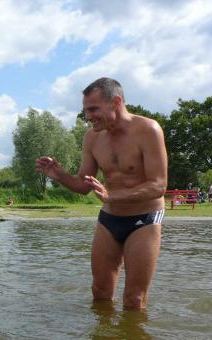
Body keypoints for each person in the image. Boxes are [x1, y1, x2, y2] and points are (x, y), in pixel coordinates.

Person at [36, 77, 167, 310]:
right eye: (86, 110)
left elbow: (158, 186)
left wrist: (112, 196)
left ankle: (132, 335)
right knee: (100, 292)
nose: (88, 116)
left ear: (115, 102)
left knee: (134, 300)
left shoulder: (148, 130)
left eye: (93, 109)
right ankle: (103, 335)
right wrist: (60, 175)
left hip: (144, 220)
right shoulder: (92, 137)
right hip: (109, 219)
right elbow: (83, 185)